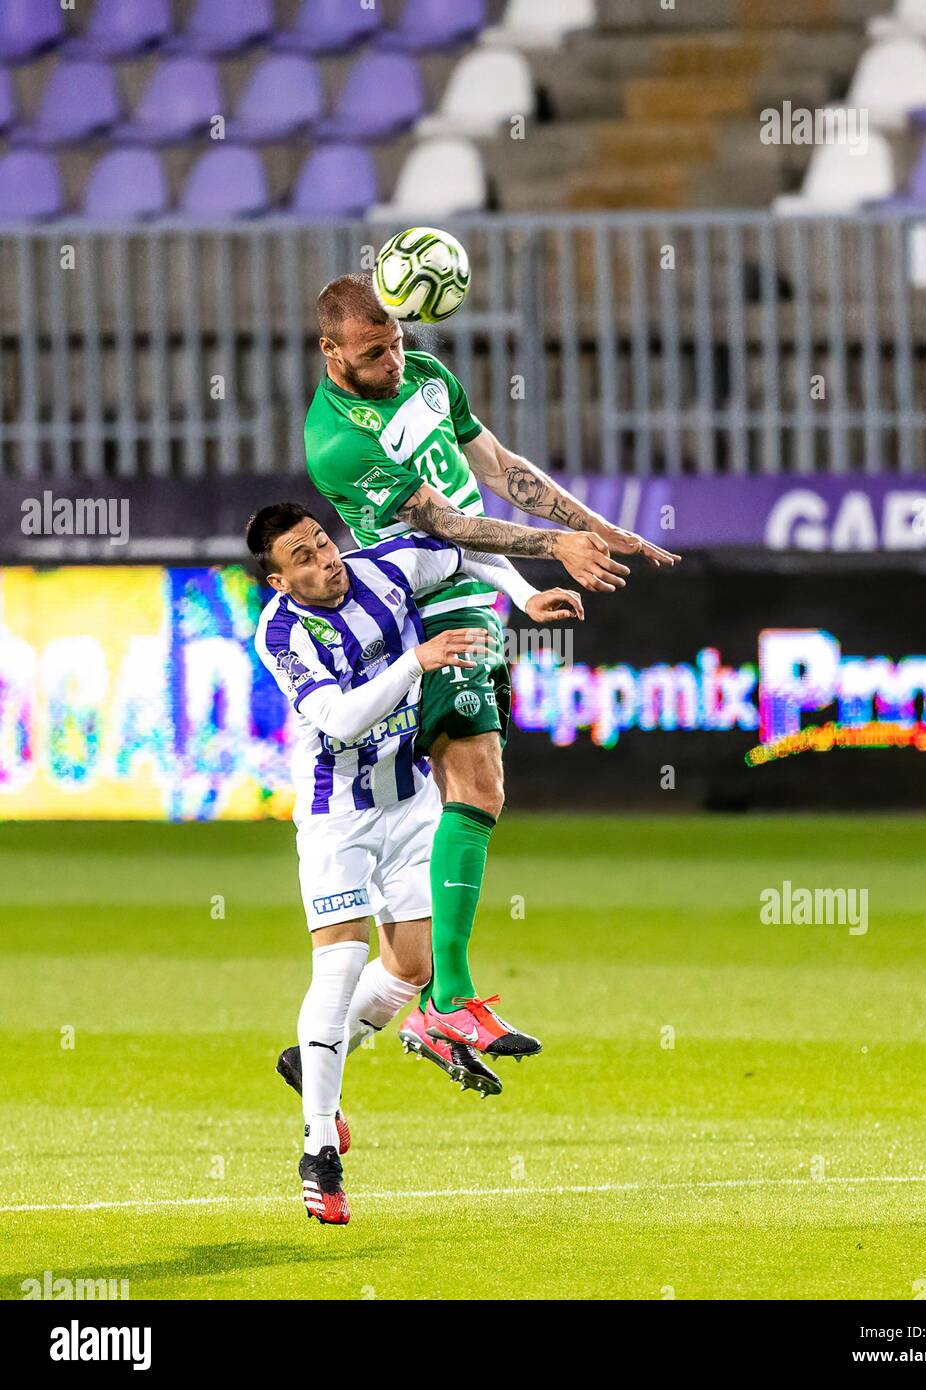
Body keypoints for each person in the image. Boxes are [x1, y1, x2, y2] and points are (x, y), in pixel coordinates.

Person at [305, 272, 679, 1054]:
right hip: (415, 605)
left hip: (466, 591)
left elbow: (498, 470)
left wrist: (597, 531)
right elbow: (438, 521)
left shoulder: (428, 377)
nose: (395, 363)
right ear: (332, 353)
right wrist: (551, 551)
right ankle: (446, 999)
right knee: (471, 785)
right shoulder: (336, 442)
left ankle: (363, 1031)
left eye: (399, 342)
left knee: (475, 790)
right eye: (375, 354)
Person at [247, 502, 582, 1224]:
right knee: (338, 966)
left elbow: (467, 547)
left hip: (408, 803)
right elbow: (338, 719)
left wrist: (525, 596)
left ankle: (314, 1061)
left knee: (411, 968)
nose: (323, 561)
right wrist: (415, 660)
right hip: (337, 816)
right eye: (301, 558)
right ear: (278, 580)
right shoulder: (281, 633)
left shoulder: (385, 569)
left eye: (322, 544)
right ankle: (318, 1150)